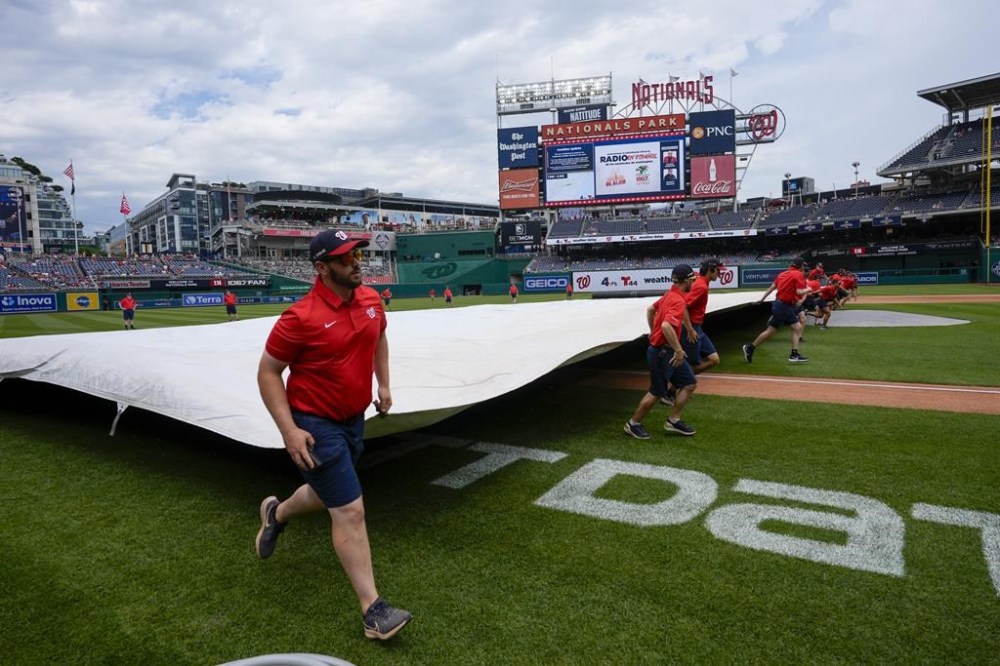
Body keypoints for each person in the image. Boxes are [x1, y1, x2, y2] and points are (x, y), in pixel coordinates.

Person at [254, 229, 412, 641]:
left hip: (353, 418)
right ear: (322, 268)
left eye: (357, 254)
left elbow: (379, 339)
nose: (356, 262)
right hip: (314, 422)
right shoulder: (299, 317)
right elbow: (268, 373)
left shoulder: (372, 300)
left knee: (327, 493)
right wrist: (289, 430)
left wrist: (384, 384)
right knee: (350, 509)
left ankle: (277, 513)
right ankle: (373, 611)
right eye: (345, 259)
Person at [624, 264, 699, 439]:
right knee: (657, 391)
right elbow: (666, 326)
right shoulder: (678, 300)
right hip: (662, 354)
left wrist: (652, 332)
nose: (694, 283)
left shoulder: (669, 295)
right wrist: (679, 350)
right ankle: (632, 424)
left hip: (666, 351)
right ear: (686, 280)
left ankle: (673, 421)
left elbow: (650, 310)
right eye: (693, 280)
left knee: (689, 383)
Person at [742, 257, 812, 364]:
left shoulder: (782, 274)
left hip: (780, 305)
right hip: (784, 306)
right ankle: (793, 355)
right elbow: (799, 292)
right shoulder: (798, 274)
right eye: (803, 265)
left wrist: (762, 299)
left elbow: (772, 287)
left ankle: (750, 348)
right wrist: (809, 289)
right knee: (794, 328)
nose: (804, 268)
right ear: (800, 266)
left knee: (775, 330)